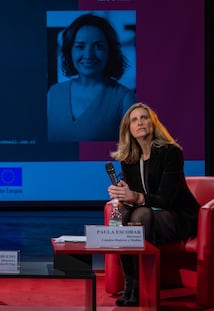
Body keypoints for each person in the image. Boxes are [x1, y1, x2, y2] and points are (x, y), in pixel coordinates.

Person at [107, 102, 200, 306]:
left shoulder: (170, 152)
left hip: (177, 215)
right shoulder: (129, 159)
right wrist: (122, 193)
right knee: (124, 214)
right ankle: (129, 283)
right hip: (150, 213)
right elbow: (135, 197)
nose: (140, 122)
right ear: (128, 129)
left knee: (141, 215)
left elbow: (165, 199)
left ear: (153, 123)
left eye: (144, 117)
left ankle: (142, 285)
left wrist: (137, 197)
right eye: (134, 119)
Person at [47, 13, 136, 142]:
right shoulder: (53, 93)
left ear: (110, 51)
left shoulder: (125, 100)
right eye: (80, 46)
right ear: (70, 50)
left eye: (98, 46)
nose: (88, 54)